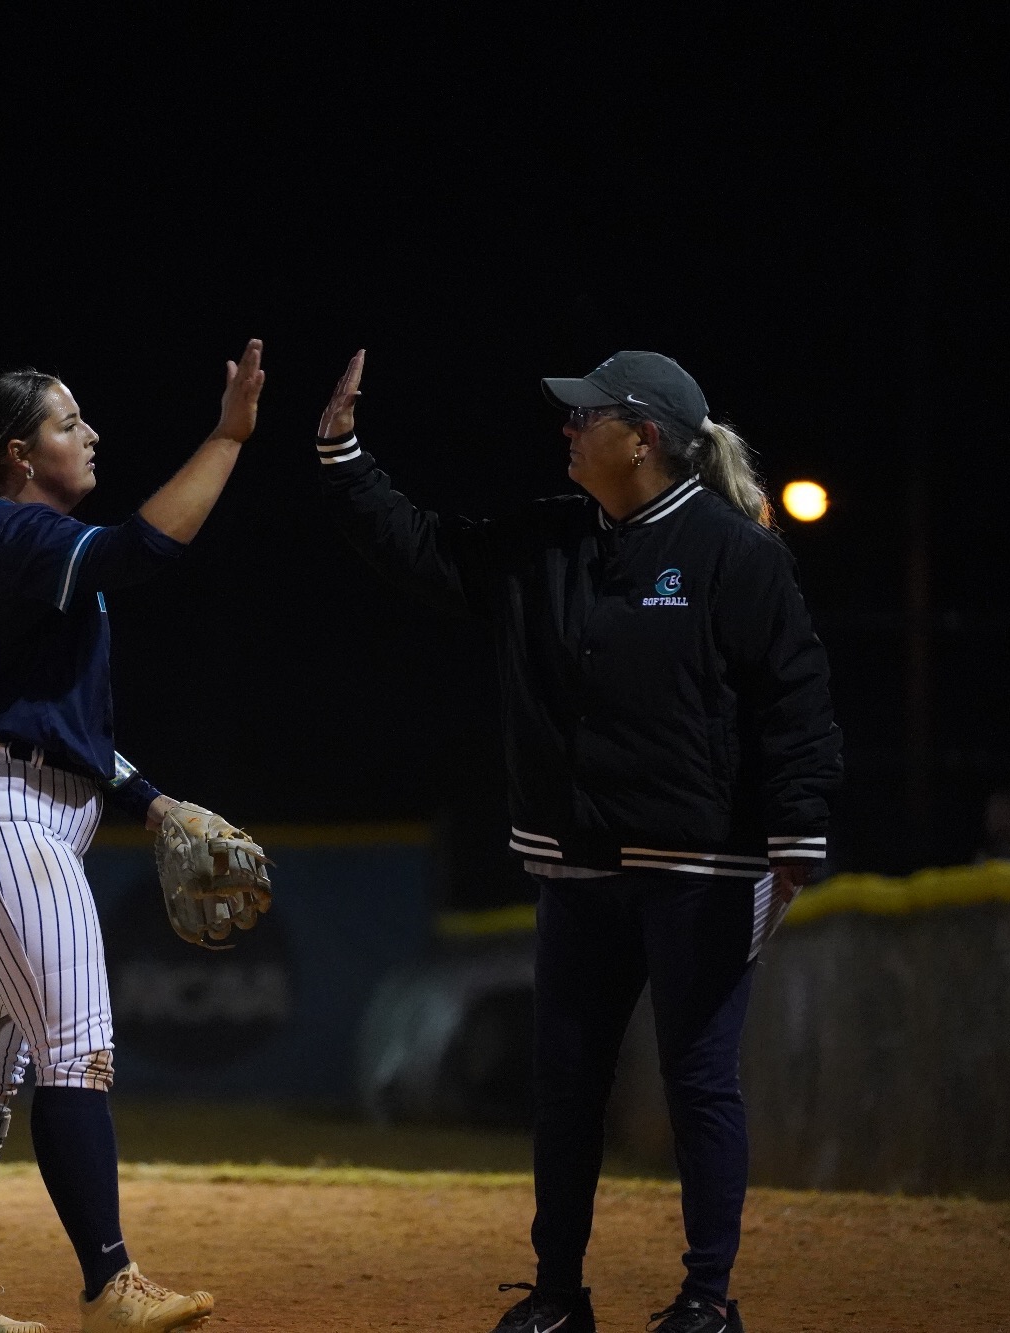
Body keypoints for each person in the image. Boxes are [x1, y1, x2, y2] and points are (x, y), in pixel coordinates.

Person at [312, 349, 842, 1333]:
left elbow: (794, 703)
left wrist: (794, 836)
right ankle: (558, 1292)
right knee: (563, 1086)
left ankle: (704, 1297)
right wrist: (342, 456)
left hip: (701, 866)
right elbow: (423, 550)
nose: (564, 429)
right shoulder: (546, 540)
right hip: (577, 864)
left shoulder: (735, 555)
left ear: (639, 439)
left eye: (583, 417)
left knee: (696, 1083)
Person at [0, 342, 264, 1333]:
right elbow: (140, 551)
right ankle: (109, 1282)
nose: (89, 433)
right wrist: (227, 437)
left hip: (0, 797)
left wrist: (155, 802)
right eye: (68, 421)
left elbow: (62, 726)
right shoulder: (11, 530)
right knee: (76, 1046)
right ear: (17, 453)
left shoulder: (14, 546)